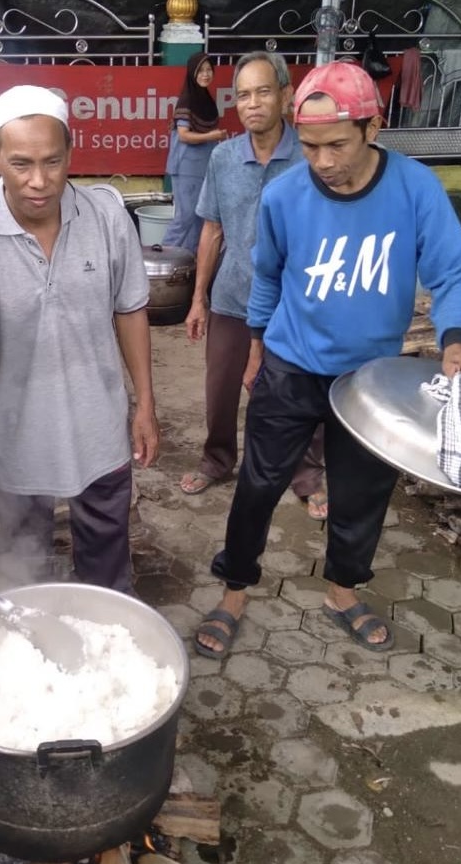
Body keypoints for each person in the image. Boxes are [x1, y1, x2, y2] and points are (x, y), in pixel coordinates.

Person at [194, 62, 461, 659]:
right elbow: (267, 278)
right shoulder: (284, 197)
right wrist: (256, 347)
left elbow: (450, 271)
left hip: (371, 379)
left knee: (361, 492)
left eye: (337, 145)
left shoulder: (415, 188)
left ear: (373, 127)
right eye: (309, 146)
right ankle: (234, 591)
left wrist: (457, 338)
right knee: (258, 483)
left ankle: (342, 590)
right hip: (291, 366)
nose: (322, 161)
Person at [0, 85, 160, 595]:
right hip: (18, 434)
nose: (39, 182)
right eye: (20, 164)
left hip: (100, 425)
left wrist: (145, 404)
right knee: (26, 561)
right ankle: (37, 646)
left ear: (71, 154)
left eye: (53, 162)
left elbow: (130, 310)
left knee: (107, 557)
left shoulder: (107, 216)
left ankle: (108, 638)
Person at [179, 51, 328, 523]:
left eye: (264, 91)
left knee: (295, 392)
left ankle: (305, 475)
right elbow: (211, 230)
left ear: (286, 96)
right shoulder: (223, 157)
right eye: (243, 95)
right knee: (220, 389)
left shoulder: (308, 159)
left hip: (293, 306)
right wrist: (198, 298)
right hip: (232, 297)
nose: (253, 103)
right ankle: (217, 460)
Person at [161, 52, 227, 252]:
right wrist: (212, 136)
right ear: (192, 73)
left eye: (209, 70)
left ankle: (189, 264)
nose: (206, 74)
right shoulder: (187, 100)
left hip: (204, 166)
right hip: (186, 166)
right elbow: (183, 135)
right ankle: (161, 259)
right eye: (201, 70)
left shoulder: (207, 100)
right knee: (185, 216)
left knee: (200, 217)